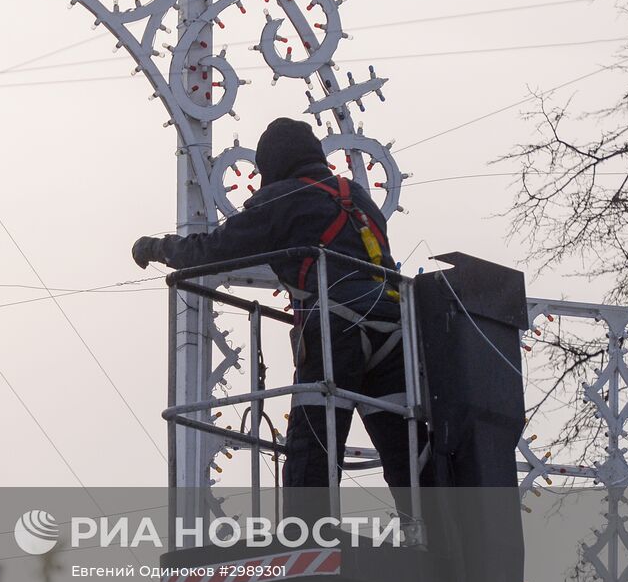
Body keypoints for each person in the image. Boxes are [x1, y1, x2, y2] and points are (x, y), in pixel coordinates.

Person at [131, 117, 427, 500]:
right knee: (405, 448)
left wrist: (158, 249)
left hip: (336, 330)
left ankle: (306, 537)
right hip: (394, 330)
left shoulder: (281, 198)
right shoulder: (357, 196)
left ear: (272, 164)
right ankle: (433, 537)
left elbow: (213, 250)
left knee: (314, 441)